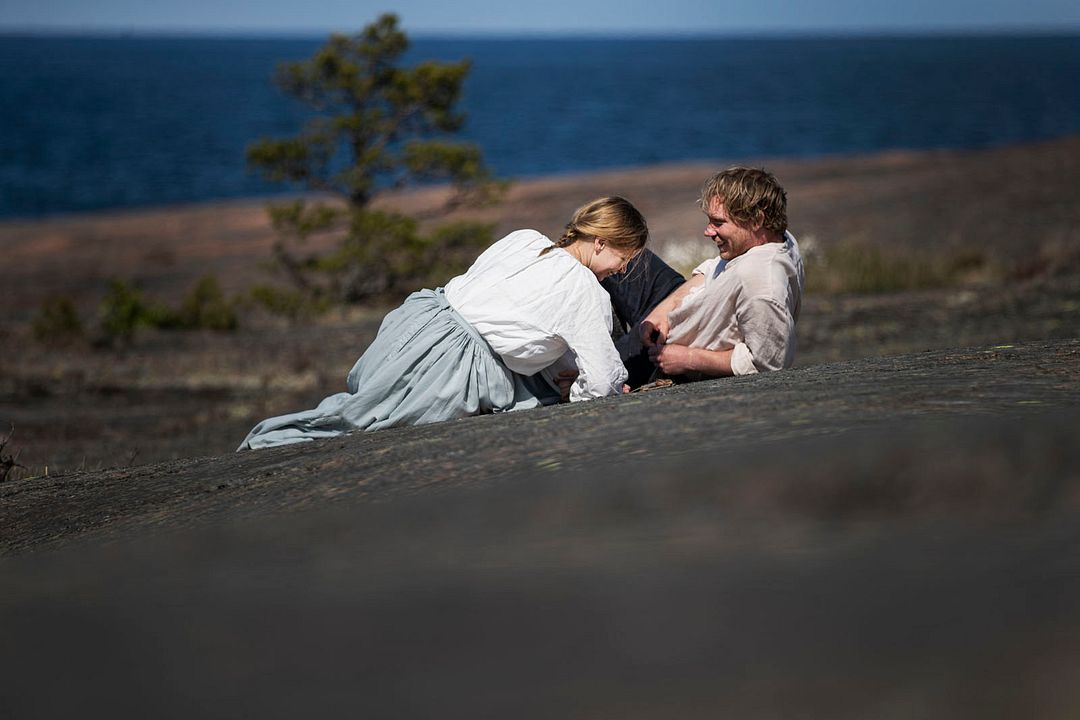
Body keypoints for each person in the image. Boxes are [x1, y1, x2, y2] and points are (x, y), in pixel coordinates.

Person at [238, 196, 648, 450]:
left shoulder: (525, 239)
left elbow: (509, 315)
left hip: (417, 320)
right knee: (356, 430)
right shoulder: (584, 289)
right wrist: (578, 388)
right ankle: (267, 444)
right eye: (623, 259)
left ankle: (274, 440)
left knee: (357, 409)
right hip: (450, 365)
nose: (619, 271)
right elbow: (602, 380)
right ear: (600, 242)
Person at [601, 167, 804, 386]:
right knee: (607, 241)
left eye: (718, 223)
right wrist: (665, 309)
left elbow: (768, 362)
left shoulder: (761, 281)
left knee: (589, 372)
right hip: (679, 308)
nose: (708, 231)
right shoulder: (777, 238)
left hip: (663, 353)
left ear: (757, 220)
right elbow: (711, 270)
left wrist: (688, 359)